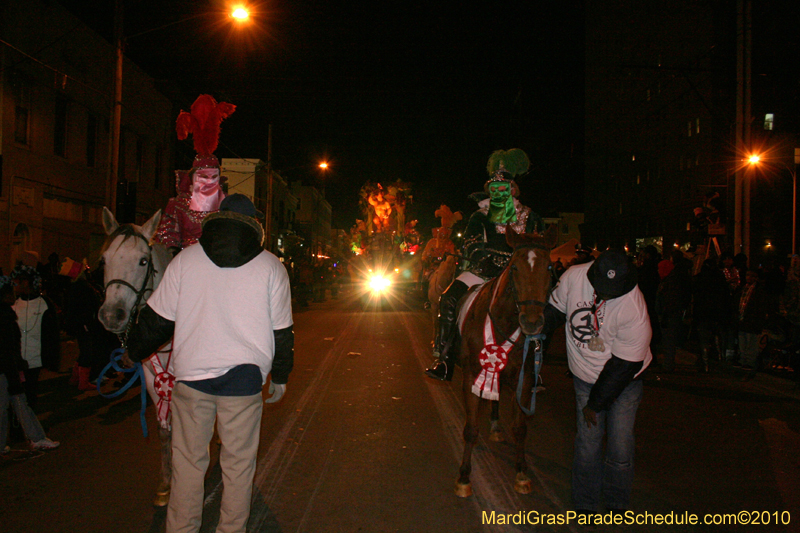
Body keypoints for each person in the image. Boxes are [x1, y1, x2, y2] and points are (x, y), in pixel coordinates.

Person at [126, 194, 294, 533]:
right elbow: (282, 333)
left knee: (187, 465)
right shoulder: (271, 266)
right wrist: (280, 376)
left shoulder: (186, 261)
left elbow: (156, 321)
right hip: (244, 383)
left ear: (218, 221)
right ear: (254, 226)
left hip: (191, 381)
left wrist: (133, 349)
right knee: (238, 466)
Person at [543, 249, 652, 516]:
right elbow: (555, 311)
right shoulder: (573, 277)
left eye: (610, 291)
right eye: (600, 288)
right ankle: (586, 503)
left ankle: (617, 501)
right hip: (584, 376)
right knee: (588, 444)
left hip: (625, 381)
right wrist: (535, 326)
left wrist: (595, 404)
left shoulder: (634, 308)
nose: (603, 295)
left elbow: (623, 366)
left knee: (620, 444)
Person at [425, 148, 543, 381]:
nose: (500, 192)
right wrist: (485, 261)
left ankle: (535, 366)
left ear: (513, 190)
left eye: (505, 188)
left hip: (517, 274)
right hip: (482, 272)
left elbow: (536, 248)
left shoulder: (531, 217)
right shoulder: (480, 216)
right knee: (448, 298)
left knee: (543, 304)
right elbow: (471, 244)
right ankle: (445, 358)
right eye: (496, 188)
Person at [154, 94, 235, 254]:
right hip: (183, 259)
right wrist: (174, 249)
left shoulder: (226, 204)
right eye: (204, 176)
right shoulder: (178, 204)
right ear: (193, 178)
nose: (209, 181)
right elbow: (167, 232)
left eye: (213, 177)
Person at [0, 276, 60, 453]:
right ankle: (37, 438)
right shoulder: (4, 316)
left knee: (11, 406)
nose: (14, 292)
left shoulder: (6, 313)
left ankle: (32, 438)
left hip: (8, 369)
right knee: (15, 404)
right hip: (6, 370)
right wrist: (14, 372)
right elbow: (6, 349)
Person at [62, 258, 120, 391]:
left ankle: (76, 378)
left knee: (85, 350)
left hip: (82, 323)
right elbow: (88, 306)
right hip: (84, 324)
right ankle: (82, 382)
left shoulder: (76, 286)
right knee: (87, 351)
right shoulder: (82, 287)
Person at [10, 265, 60, 409]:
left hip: (34, 361)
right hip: (16, 362)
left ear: (26, 282)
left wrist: (52, 360)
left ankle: (28, 426)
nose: (14, 286)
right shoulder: (12, 304)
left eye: (16, 282)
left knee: (29, 397)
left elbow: (52, 334)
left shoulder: (44, 304)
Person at [655, 250, 692, 372]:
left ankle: (668, 364)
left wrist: (665, 313)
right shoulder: (670, 280)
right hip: (669, 314)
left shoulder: (670, 281)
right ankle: (668, 363)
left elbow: (670, 300)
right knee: (668, 340)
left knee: (669, 340)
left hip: (669, 315)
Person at [691, 258, 729, 372]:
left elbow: (695, 295)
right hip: (718, 313)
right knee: (717, 336)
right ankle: (719, 359)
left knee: (704, 339)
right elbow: (725, 296)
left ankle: (705, 363)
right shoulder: (720, 279)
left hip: (703, 313)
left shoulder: (699, 279)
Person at [735, 268, 770, 379]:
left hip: (752, 321)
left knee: (751, 342)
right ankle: (743, 360)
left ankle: (749, 362)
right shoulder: (743, 288)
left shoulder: (759, 290)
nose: (748, 278)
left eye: (751, 276)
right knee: (743, 342)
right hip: (743, 319)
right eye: (747, 275)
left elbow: (760, 307)